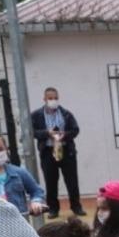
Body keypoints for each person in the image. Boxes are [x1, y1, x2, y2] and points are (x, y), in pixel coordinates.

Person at [30, 87, 85, 218]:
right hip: (48, 151)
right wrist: (47, 133)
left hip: (66, 150)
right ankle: (53, 209)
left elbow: (75, 130)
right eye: (50, 98)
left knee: (72, 180)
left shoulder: (66, 114)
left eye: (55, 98)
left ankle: (76, 206)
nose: (53, 100)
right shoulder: (36, 115)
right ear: (44, 99)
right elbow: (32, 132)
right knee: (51, 181)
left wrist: (64, 135)